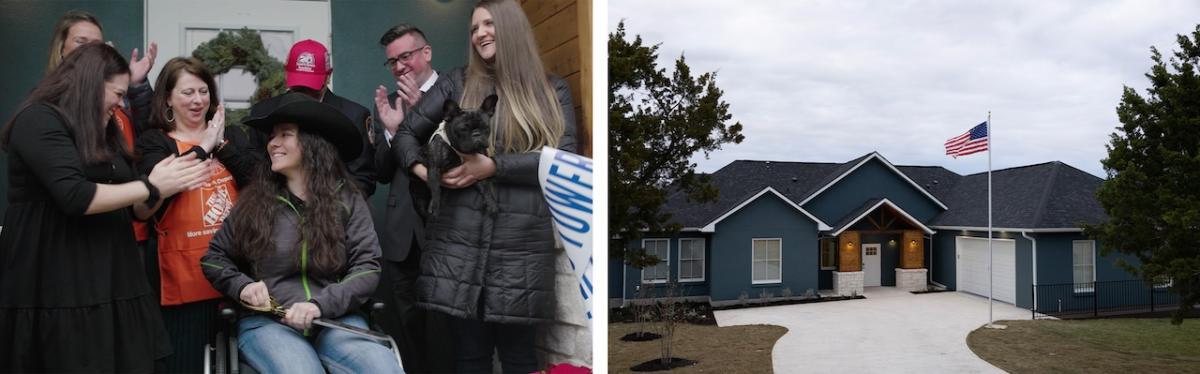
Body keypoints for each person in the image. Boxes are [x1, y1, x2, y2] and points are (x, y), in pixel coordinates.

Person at [391, 0, 577, 371]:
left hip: (520, 248)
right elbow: (406, 134)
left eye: (488, 24)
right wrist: (426, 173)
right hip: (458, 247)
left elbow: (564, 158)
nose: (480, 34)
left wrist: (493, 166)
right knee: (469, 358)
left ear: (511, 28)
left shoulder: (551, 89)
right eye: (474, 28)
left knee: (520, 359)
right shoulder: (456, 82)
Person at [0, 43, 209, 372]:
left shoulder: (105, 126)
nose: (120, 103)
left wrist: (162, 187)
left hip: (113, 273)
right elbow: (75, 195)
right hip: (58, 276)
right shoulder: (39, 119)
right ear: (89, 84)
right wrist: (151, 185)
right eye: (117, 93)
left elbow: (133, 208)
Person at [202, 93, 400, 374]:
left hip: (337, 319)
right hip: (269, 323)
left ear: (312, 144)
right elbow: (214, 257)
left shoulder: (348, 199)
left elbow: (367, 268)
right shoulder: (255, 202)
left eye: (285, 135)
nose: (272, 144)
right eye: (272, 136)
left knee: (384, 369)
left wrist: (320, 305)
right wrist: (242, 285)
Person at [136, 57, 257, 372]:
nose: (198, 100)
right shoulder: (155, 141)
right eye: (188, 92)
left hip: (237, 272)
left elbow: (258, 183)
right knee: (186, 362)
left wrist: (220, 145)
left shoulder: (232, 134)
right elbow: (153, 196)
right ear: (167, 100)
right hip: (184, 275)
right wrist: (202, 147)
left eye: (203, 91)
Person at [371, 23, 454, 373]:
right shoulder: (387, 105)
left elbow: (457, 156)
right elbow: (382, 172)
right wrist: (392, 133)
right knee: (410, 324)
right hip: (402, 236)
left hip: (449, 230)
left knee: (450, 326)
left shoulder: (454, 93)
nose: (400, 67)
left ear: (426, 53)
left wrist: (419, 120)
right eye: (392, 62)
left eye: (405, 56)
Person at [45, 10, 160, 255]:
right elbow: (72, 190)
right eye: (81, 42)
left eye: (96, 45)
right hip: (77, 236)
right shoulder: (48, 110)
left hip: (128, 228)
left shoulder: (116, 103)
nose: (89, 51)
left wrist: (135, 86)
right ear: (61, 49)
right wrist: (153, 186)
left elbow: (147, 136)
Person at [247, 39, 376, 196]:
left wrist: (329, 208)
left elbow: (363, 180)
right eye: (298, 86)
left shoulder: (354, 115)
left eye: (310, 88)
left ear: (328, 76)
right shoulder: (263, 112)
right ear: (286, 72)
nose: (303, 95)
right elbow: (254, 172)